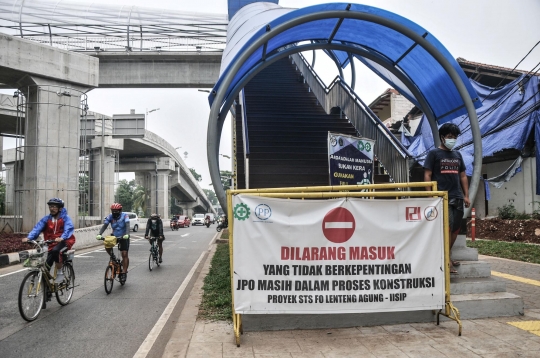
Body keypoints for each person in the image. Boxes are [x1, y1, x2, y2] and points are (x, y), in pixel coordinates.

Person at [424, 123, 470, 274]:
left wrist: (466, 195)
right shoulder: (434, 154)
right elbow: (427, 175)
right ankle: (445, 260)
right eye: (450, 137)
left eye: (455, 137)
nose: (453, 140)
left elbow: (462, 175)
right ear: (442, 137)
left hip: (457, 197)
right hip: (442, 197)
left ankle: (447, 255)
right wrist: (430, 195)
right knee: (447, 228)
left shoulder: (457, 155)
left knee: (456, 229)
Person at [22, 198, 76, 283]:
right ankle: (47, 292)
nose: (52, 208)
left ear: (60, 208)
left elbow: (68, 228)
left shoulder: (65, 218)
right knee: (45, 268)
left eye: (54, 206)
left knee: (56, 251)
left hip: (65, 241)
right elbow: (37, 228)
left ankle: (60, 273)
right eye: (50, 206)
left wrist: (62, 237)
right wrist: (29, 238)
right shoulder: (47, 219)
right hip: (50, 243)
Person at [96, 203, 130, 278]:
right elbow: (105, 225)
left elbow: (127, 225)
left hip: (124, 236)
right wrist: (99, 234)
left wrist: (127, 234)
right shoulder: (110, 216)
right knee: (107, 245)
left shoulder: (125, 215)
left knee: (124, 254)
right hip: (114, 236)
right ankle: (113, 257)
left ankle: (124, 271)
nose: (114, 212)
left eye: (116, 211)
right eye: (113, 211)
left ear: (120, 210)